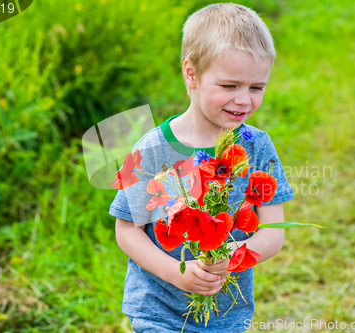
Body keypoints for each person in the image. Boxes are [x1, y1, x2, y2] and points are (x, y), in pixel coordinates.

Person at [109, 3, 294, 332]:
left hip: (226, 315)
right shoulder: (152, 148)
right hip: (158, 309)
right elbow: (126, 230)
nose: (243, 100)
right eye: (229, 86)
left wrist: (228, 253)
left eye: (256, 88)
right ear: (191, 73)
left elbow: (272, 233)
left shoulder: (257, 146)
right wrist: (174, 272)